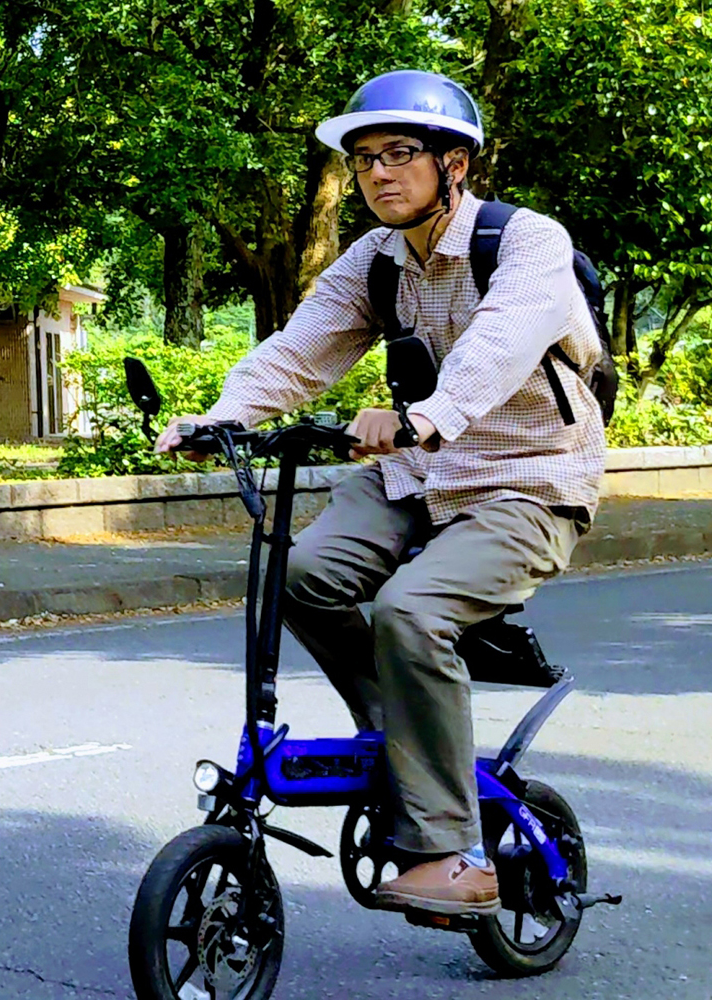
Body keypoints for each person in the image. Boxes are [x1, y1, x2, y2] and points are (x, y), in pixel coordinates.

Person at [156, 70, 606, 916]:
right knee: (295, 576)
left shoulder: (525, 242)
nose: (379, 174)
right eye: (364, 160)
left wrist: (427, 416)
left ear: (456, 164)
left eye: (400, 153)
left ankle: (454, 853)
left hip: (529, 482)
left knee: (411, 610)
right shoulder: (372, 261)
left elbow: (501, 345)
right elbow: (300, 351)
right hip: (418, 474)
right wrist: (216, 416)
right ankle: (401, 740)